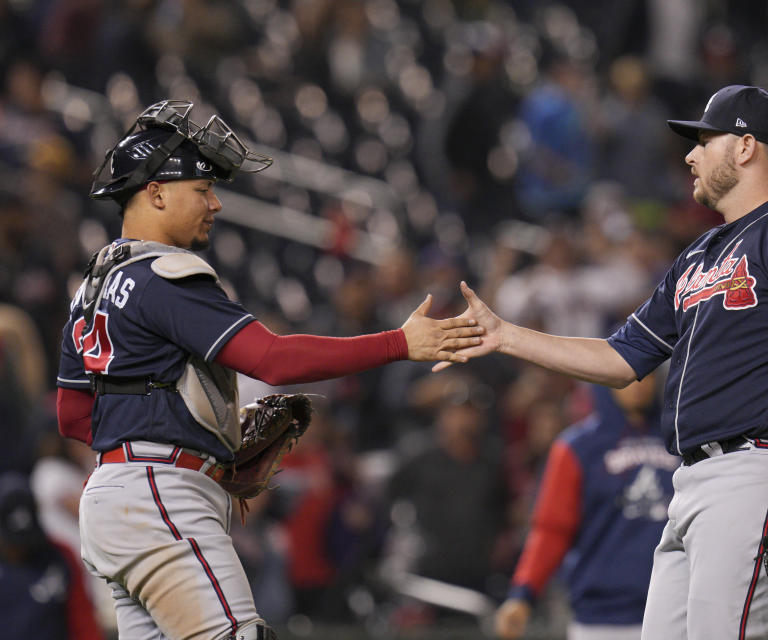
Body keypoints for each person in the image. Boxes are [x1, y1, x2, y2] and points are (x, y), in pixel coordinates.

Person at [442, 85, 768, 640]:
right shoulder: (697, 254)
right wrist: (507, 336)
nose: (690, 155)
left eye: (704, 141)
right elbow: (620, 358)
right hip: (691, 482)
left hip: (757, 469)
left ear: (745, 147)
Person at [55, 100, 483, 640]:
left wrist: (177, 440)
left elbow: (73, 417)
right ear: (156, 192)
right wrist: (399, 342)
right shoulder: (162, 273)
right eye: (201, 188)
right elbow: (273, 361)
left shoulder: (90, 289)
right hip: (159, 496)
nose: (214, 203)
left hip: (114, 499)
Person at [495, 378, 677, 640]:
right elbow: (551, 530)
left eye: (647, 373)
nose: (638, 382)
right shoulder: (576, 447)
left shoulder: (679, 439)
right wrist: (522, 593)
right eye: (630, 374)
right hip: (600, 620)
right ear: (605, 376)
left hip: (673, 613)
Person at [0, 472, 104, 640]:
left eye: (24, 541)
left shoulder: (59, 554)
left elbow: (83, 622)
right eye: (12, 543)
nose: (20, 549)